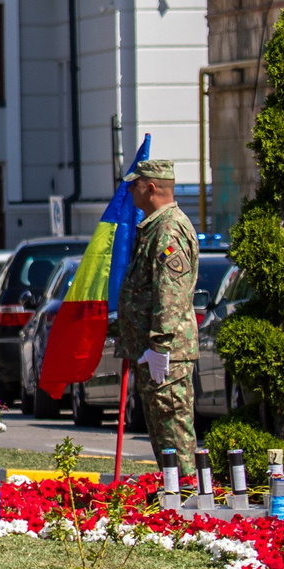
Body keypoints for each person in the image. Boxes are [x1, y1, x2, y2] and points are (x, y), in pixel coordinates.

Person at [115, 156, 200, 473]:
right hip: (154, 351)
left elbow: (170, 293)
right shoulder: (155, 228)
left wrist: (159, 346)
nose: (130, 193)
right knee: (164, 434)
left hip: (166, 354)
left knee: (173, 434)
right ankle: (173, 494)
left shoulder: (167, 232)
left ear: (149, 188)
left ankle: (186, 500)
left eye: (134, 186)